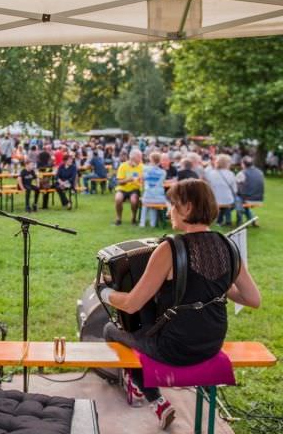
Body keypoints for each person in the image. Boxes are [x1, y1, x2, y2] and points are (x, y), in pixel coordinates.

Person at [98, 179, 260, 429]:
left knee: (110, 329)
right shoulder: (229, 246)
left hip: (175, 349)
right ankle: (143, 388)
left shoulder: (169, 248)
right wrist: (219, 285)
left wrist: (105, 292)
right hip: (211, 344)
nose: (168, 210)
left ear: (187, 207)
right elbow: (253, 299)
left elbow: (131, 304)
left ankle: (155, 399)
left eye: (172, 205)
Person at [204, 154, 238, 226]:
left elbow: (208, 187)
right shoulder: (231, 174)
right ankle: (228, 220)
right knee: (227, 203)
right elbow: (235, 189)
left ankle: (219, 220)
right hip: (228, 199)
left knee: (221, 204)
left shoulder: (211, 173)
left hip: (215, 198)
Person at [114, 149, 143, 225]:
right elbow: (119, 182)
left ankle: (133, 218)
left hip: (134, 189)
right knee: (118, 198)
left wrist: (142, 179)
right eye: (139, 158)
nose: (140, 159)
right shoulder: (123, 166)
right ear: (133, 158)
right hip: (122, 188)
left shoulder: (141, 166)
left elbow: (144, 179)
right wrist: (128, 180)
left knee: (134, 200)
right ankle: (118, 218)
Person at [139, 152, 167, 228]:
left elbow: (141, 180)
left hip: (148, 198)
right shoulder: (163, 172)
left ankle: (142, 223)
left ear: (151, 160)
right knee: (153, 205)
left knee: (145, 202)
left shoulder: (146, 170)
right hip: (159, 199)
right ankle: (152, 224)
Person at [236, 156, 264, 226]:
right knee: (245, 205)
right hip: (259, 198)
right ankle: (253, 220)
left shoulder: (242, 173)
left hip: (247, 198)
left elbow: (235, 187)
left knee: (236, 199)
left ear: (243, 164)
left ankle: (239, 222)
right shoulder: (260, 172)